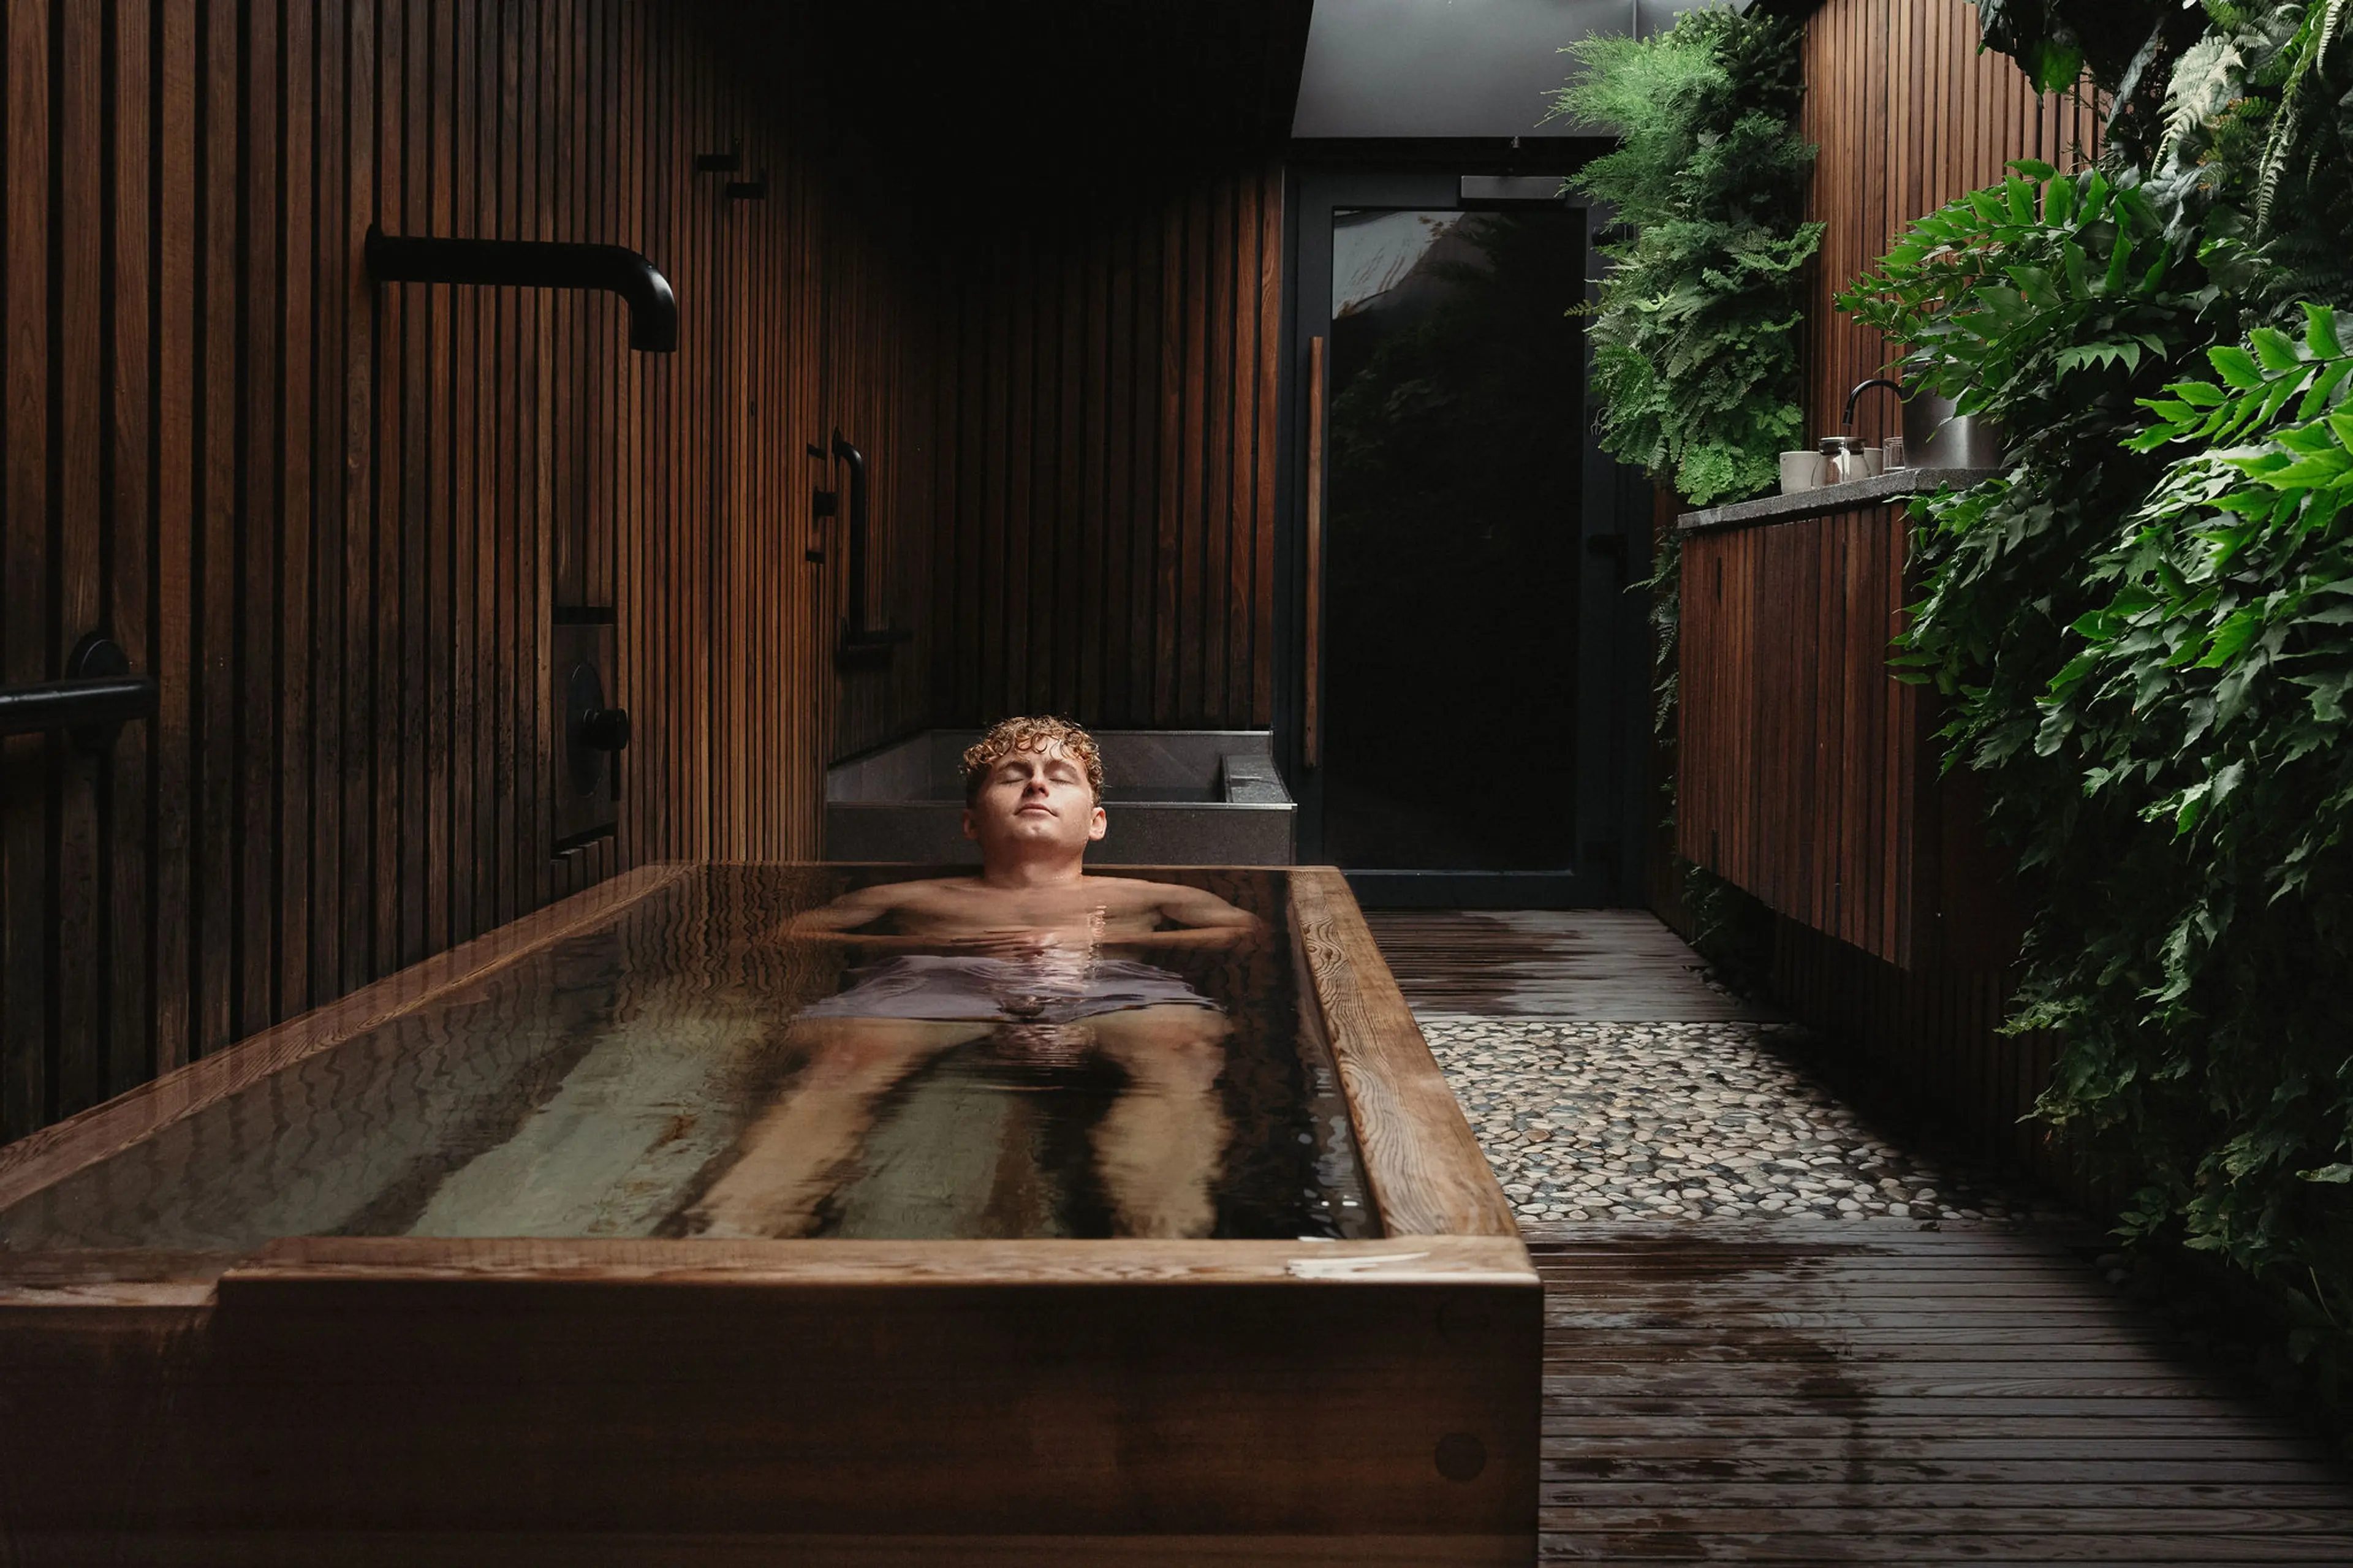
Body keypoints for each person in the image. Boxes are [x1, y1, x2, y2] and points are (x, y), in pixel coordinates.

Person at [681, 716, 1260, 1240]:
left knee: (1181, 1048)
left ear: (1098, 821)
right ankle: (742, 1220)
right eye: (1014, 775)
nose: (1037, 784)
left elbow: (1238, 927)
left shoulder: (1147, 895)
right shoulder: (913, 895)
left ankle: (1166, 1229)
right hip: (943, 977)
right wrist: (934, 944)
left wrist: (1117, 941)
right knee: (848, 1055)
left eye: (1060, 776)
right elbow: (800, 933)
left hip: (1103, 977)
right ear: (969, 821)